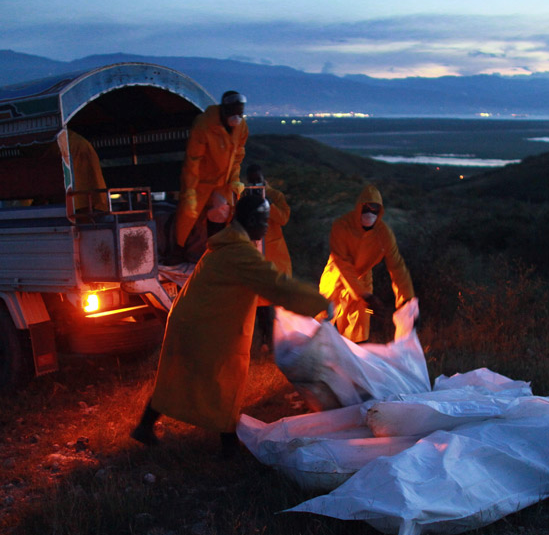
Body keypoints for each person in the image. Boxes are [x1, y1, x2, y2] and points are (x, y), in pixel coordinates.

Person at [131, 192, 331, 456]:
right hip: (205, 325)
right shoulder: (238, 252)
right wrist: (319, 303)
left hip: (199, 320)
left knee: (183, 378)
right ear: (249, 220)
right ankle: (228, 448)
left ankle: (146, 428)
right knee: (223, 380)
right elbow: (275, 285)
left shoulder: (229, 245)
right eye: (263, 220)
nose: (266, 226)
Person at [319, 184, 414, 343]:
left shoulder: (384, 234)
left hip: (363, 279)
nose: (371, 212)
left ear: (380, 210)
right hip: (335, 277)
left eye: (375, 208)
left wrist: (406, 299)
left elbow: (397, 267)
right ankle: (313, 358)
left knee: (359, 328)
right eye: (367, 207)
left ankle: (353, 361)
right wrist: (365, 295)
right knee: (322, 318)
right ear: (359, 207)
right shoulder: (341, 226)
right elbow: (342, 263)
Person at [175, 90, 249, 258]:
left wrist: (234, 180)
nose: (236, 117)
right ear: (224, 109)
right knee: (188, 215)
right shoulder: (205, 124)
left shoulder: (241, 127)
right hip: (201, 180)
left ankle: (214, 252)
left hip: (223, 182)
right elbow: (193, 159)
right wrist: (190, 191)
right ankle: (177, 250)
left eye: (240, 113)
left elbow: (238, 156)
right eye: (233, 112)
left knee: (222, 212)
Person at [246, 164, 292, 352]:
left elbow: (283, 219)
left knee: (278, 300)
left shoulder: (275, 196)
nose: (256, 183)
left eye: (259, 179)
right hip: (256, 254)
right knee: (259, 302)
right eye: (252, 180)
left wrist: (267, 204)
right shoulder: (244, 197)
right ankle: (264, 341)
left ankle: (283, 340)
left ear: (264, 178)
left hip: (276, 255)